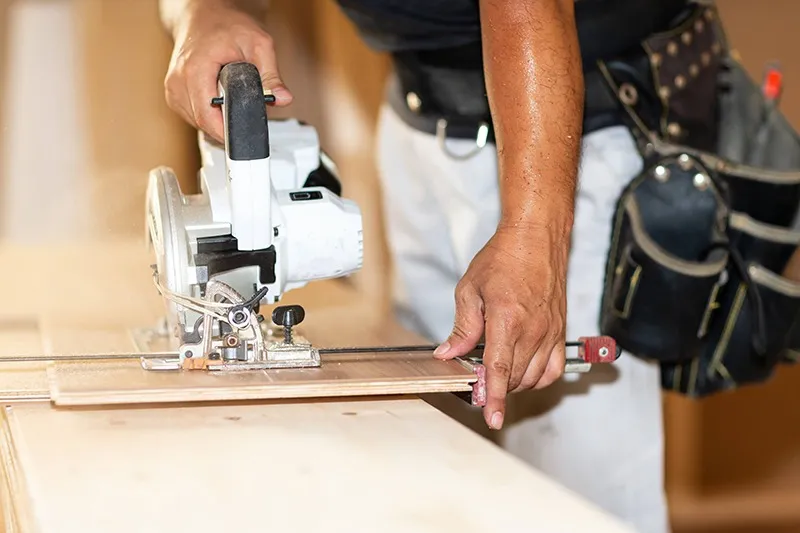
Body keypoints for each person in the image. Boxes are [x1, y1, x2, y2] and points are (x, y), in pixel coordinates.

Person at [157, 1, 696, 531]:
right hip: (419, 121)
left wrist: (536, 233)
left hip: (565, 140)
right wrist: (201, 11)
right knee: (430, 467)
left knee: (578, 501)